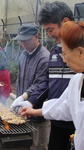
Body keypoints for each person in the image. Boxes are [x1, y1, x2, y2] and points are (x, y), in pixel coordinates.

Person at [12, 1, 75, 150]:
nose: (49, 35)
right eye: (46, 31)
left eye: (51, 29)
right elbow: (46, 83)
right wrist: (30, 101)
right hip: (56, 120)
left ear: (65, 22)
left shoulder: (79, 52)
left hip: (76, 121)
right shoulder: (54, 52)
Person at [20, 20, 84, 150]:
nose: (64, 61)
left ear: (81, 53)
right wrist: (34, 110)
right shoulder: (77, 80)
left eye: (65, 54)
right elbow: (64, 106)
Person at [11, 24, 50, 150]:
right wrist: (19, 98)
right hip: (24, 111)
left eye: (27, 40)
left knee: (38, 146)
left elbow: (40, 84)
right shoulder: (23, 55)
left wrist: (23, 97)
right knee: (24, 144)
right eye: (21, 41)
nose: (24, 44)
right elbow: (20, 80)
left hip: (38, 113)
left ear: (37, 37)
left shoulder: (44, 57)